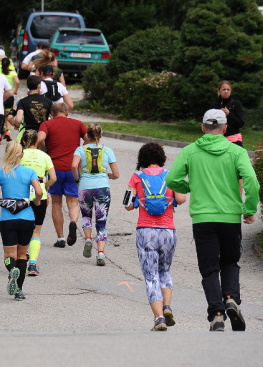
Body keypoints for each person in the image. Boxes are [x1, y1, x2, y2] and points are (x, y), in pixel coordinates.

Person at [166, 109, 259, 332]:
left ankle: (216, 314)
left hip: (203, 219)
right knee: (229, 262)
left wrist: (189, 186)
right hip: (229, 218)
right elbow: (252, 182)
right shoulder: (236, 152)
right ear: (225, 128)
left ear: (202, 127)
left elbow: (171, 179)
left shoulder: (190, 151)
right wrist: (249, 208)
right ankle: (231, 299)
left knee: (209, 269)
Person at [125, 143, 186, 331]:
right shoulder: (171, 174)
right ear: (162, 157)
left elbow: (127, 204)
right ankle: (167, 306)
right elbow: (182, 199)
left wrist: (137, 201)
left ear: (141, 159)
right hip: (168, 231)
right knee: (164, 271)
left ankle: (159, 318)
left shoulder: (136, 177)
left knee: (151, 276)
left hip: (146, 232)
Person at [0, 141, 43, 301]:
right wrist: (37, 200)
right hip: (27, 218)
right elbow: (39, 191)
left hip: (8, 219)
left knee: (9, 254)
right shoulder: (29, 172)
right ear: (22, 155)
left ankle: (11, 269)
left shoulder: (0, 172)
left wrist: (2, 201)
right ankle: (19, 290)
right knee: (22, 255)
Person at [37, 102, 87, 248]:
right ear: (67, 113)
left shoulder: (47, 124)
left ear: (52, 113)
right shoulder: (78, 123)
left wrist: (43, 151)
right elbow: (89, 139)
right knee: (73, 202)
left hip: (55, 168)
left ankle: (60, 238)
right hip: (73, 168)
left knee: (56, 203)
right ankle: (73, 221)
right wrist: (80, 152)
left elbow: (40, 139)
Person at [71, 123, 120, 266]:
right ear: (101, 136)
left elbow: (74, 166)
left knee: (86, 215)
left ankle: (87, 239)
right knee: (102, 222)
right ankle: (100, 254)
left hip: (85, 186)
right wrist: (108, 175)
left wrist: (77, 179)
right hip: (102, 188)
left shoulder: (80, 150)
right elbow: (116, 174)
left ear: (87, 135)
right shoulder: (108, 150)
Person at [19, 130, 56, 276]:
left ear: (23, 142)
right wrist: (46, 186)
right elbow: (53, 177)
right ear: (37, 142)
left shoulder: (20, 154)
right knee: (36, 230)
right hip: (40, 192)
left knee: (21, 227)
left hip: (21, 193)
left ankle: (21, 257)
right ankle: (33, 265)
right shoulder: (45, 156)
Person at [209, 81, 245, 147]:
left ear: (230, 91)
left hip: (234, 139)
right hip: (218, 139)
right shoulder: (214, 105)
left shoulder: (236, 104)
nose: (226, 91)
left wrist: (229, 114)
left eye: (228, 89)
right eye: (224, 89)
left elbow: (241, 123)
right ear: (219, 91)